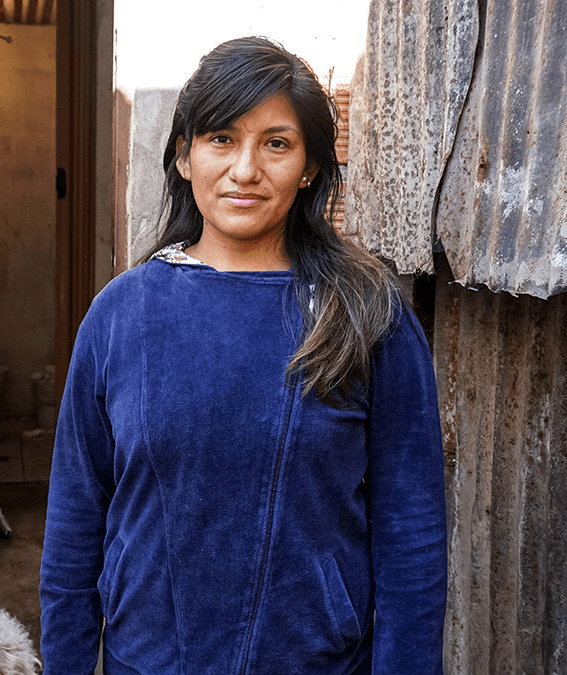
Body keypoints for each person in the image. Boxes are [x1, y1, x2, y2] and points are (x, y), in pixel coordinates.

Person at [39, 37, 446, 674]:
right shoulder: (120, 316)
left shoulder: (365, 317)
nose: (246, 169)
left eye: (277, 143)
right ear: (183, 156)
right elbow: (73, 527)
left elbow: (411, 533)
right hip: (147, 661)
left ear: (310, 165)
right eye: (221, 139)